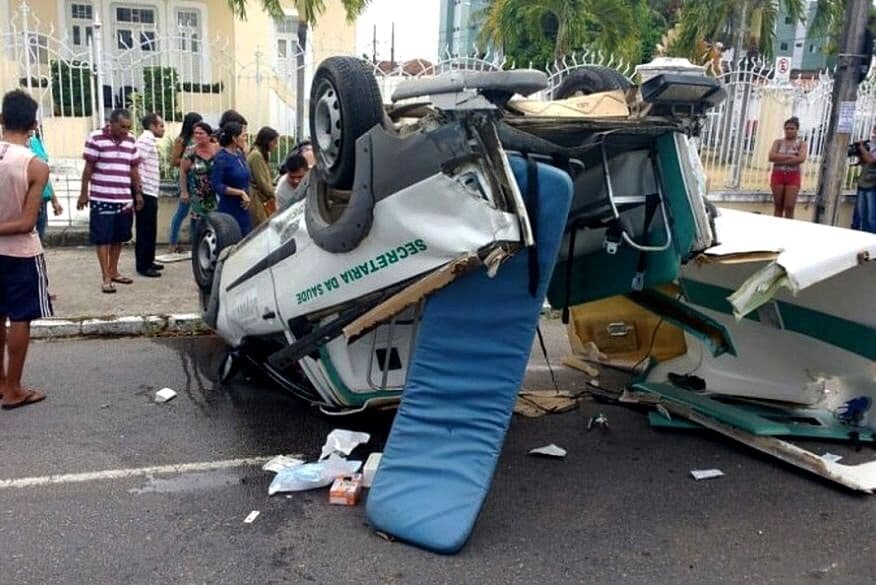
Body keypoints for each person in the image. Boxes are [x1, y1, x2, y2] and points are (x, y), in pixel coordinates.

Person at [0, 90, 51, 409]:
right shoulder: (35, 165)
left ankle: (2, 383)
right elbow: (26, 222)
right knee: (20, 318)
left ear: (2, 119)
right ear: (33, 124)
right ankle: (14, 389)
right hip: (20, 253)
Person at [77, 108, 142, 294]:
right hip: (101, 196)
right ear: (111, 123)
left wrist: (137, 194)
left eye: (128, 127)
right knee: (103, 238)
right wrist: (84, 193)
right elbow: (88, 168)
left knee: (119, 237)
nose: (125, 131)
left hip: (124, 198)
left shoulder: (131, 140)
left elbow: (134, 169)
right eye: (122, 126)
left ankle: (114, 271)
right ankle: (105, 276)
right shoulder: (96, 138)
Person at [134, 113, 165, 278]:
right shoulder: (145, 140)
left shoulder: (149, 140)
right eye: (161, 126)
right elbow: (135, 163)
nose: (163, 129)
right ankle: (143, 265)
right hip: (145, 190)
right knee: (145, 229)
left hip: (151, 190)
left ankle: (149, 260)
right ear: (152, 126)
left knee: (150, 228)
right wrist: (139, 187)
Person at [167, 112, 202, 253]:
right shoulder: (182, 140)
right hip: (186, 178)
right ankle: (173, 242)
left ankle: (195, 242)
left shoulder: (198, 139)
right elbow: (173, 161)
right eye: (197, 124)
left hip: (197, 179)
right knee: (182, 211)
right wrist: (188, 160)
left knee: (196, 212)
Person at [211, 122, 252, 235]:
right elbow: (217, 185)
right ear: (234, 138)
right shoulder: (221, 158)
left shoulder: (239, 156)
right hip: (229, 208)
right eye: (243, 135)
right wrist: (239, 193)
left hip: (244, 208)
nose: (245, 138)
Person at [180, 121, 219, 237]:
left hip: (216, 194)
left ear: (209, 136)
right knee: (198, 225)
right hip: (198, 194)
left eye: (201, 133)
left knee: (216, 223)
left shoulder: (217, 149)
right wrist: (184, 192)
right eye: (195, 133)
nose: (197, 136)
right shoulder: (190, 151)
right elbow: (183, 172)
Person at [27, 130, 63, 242]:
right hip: (27, 200)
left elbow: (44, 174)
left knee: (38, 238)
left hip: (41, 197)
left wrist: (54, 200)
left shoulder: (35, 143)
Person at [768, 117, 807, 219]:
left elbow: (801, 159)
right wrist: (790, 157)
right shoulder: (778, 142)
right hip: (778, 175)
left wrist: (779, 158)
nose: (789, 131)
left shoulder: (801, 144)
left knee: (789, 207)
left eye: (792, 128)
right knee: (778, 206)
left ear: (797, 130)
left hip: (793, 176)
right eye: (787, 128)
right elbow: (771, 157)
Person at [247, 126, 279, 227]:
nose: (275, 145)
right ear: (267, 141)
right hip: (257, 200)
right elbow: (261, 182)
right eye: (274, 142)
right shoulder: (256, 156)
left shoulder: (257, 153)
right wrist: (274, 194)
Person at [852, 126, 876, 234]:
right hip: (864, 183)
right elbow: (864, 162)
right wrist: (859, 152)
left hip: (873, 186)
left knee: (872, 218)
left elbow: (871, 160)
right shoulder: (870, 146)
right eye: (874, 130)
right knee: (862, 215)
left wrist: (861, 147)